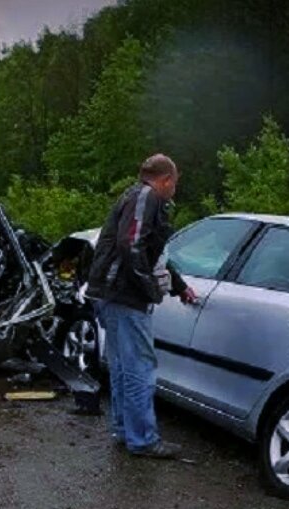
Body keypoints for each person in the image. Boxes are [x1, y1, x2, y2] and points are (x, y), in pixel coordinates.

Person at [87, 154, 198, 459]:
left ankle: (125, 430)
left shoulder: (134, 196)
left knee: (123, 367)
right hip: (124, 296)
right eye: (174, 184)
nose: (174, 190)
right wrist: (147, 288)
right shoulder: (146, 197)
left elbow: (152, 255)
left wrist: (178, 287)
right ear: (166, 180)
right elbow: (132, 245)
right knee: (139, 368)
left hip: (112, 294)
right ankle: (143, 439)